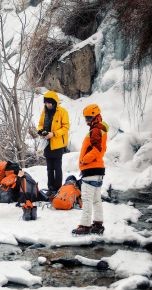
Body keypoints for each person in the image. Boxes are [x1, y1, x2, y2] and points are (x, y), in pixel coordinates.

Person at [72, 104, 108, 235]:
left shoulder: (96, 131)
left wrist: (84, 160)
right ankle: (98, 225)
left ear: (95, 116)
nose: (86, 120)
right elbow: (101, 150)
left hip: (91, 170)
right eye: (85, 118)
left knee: (87, 199)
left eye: (88, 117)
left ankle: (85, 226)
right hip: (98, 170)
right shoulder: (100, 129)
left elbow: (97, 150)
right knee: (96, 200)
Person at [37, 90, 70, 196]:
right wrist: (41, 131)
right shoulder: (45, 111)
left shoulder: (62, 112)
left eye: (49, 103)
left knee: (57, 168)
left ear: (54, 102)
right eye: (46, 103)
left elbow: (66, 127)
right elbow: (40, 124)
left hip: (57, 144)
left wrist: (54, 134)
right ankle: (50, 188)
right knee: (49, 168)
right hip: (47, 144)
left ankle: (58, 188)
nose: (47, 105)